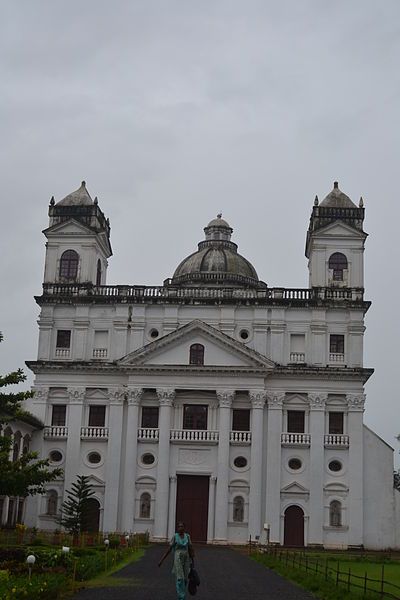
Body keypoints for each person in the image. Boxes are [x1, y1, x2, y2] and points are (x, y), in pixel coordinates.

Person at [158, 521, 194, 600]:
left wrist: (192, 561)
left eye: (181, 526)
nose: (180, 528)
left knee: (185, 579)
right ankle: (181, 597)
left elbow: (190, 548)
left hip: (186, 558)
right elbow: (169, 549)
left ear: (184, 528)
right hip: (178, 558)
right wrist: (162, 560)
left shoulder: (187, 536)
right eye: (179, 527)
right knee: (180, 578)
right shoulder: (175, 537)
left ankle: (182, 594)